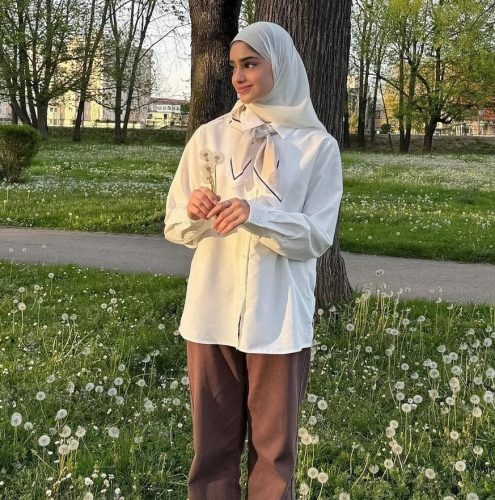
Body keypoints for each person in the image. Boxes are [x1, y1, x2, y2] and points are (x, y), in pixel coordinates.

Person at [164, 21, 343, 500]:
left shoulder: (317, 147)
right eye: (233, 66)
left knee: (274, 453)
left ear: (279, 65)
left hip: (277, 317)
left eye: (250, 64)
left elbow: (317, 235)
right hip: (212, 311)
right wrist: (195, 212)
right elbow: (175, 224)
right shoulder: (210, 138)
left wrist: (256, 214)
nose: (238, 76)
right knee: (211, 449)